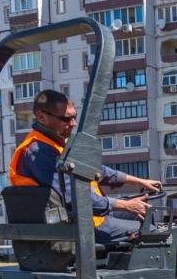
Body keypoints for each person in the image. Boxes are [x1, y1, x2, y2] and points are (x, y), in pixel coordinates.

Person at [9, 89, 161, 245]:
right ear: (41, 116)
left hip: (88, 217)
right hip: (72, 227)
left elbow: (96, 171)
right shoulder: (38, 152)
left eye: (74, 117)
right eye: (66, 119)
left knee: (146, 214)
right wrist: (126, 205)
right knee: (152, 231)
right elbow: (75, 198)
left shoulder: (56, 143)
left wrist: (139, 181)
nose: (73, 124)